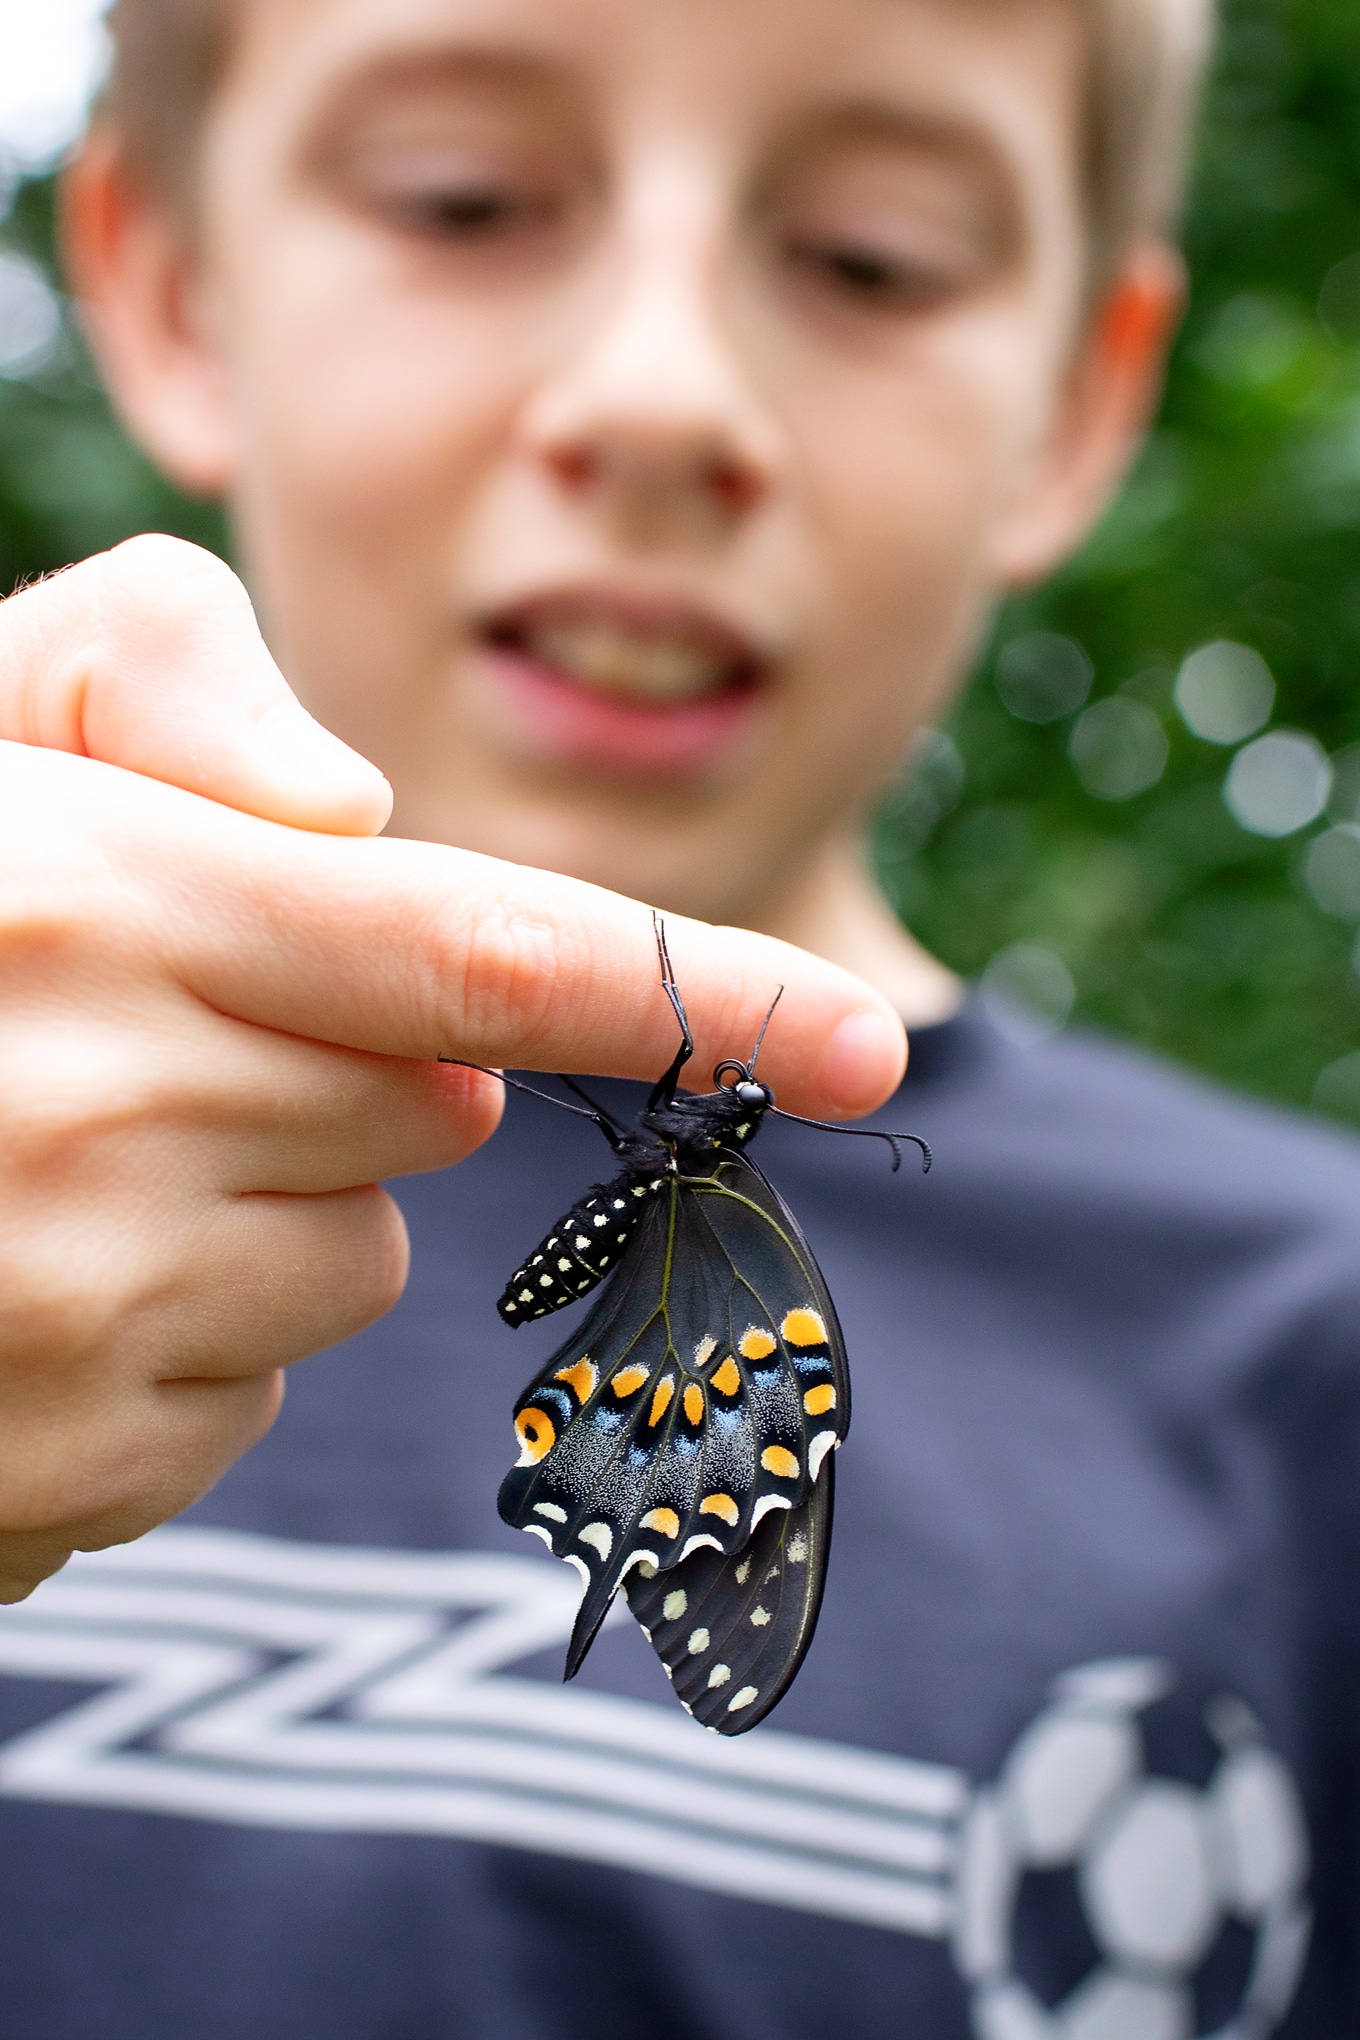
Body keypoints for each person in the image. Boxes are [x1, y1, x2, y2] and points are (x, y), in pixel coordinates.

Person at [0, 0, 1354, 2031]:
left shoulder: (1301, 1332)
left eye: (869, 257)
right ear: (172, 288)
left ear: (1076, 409)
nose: (659, 396)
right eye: (461, 200)